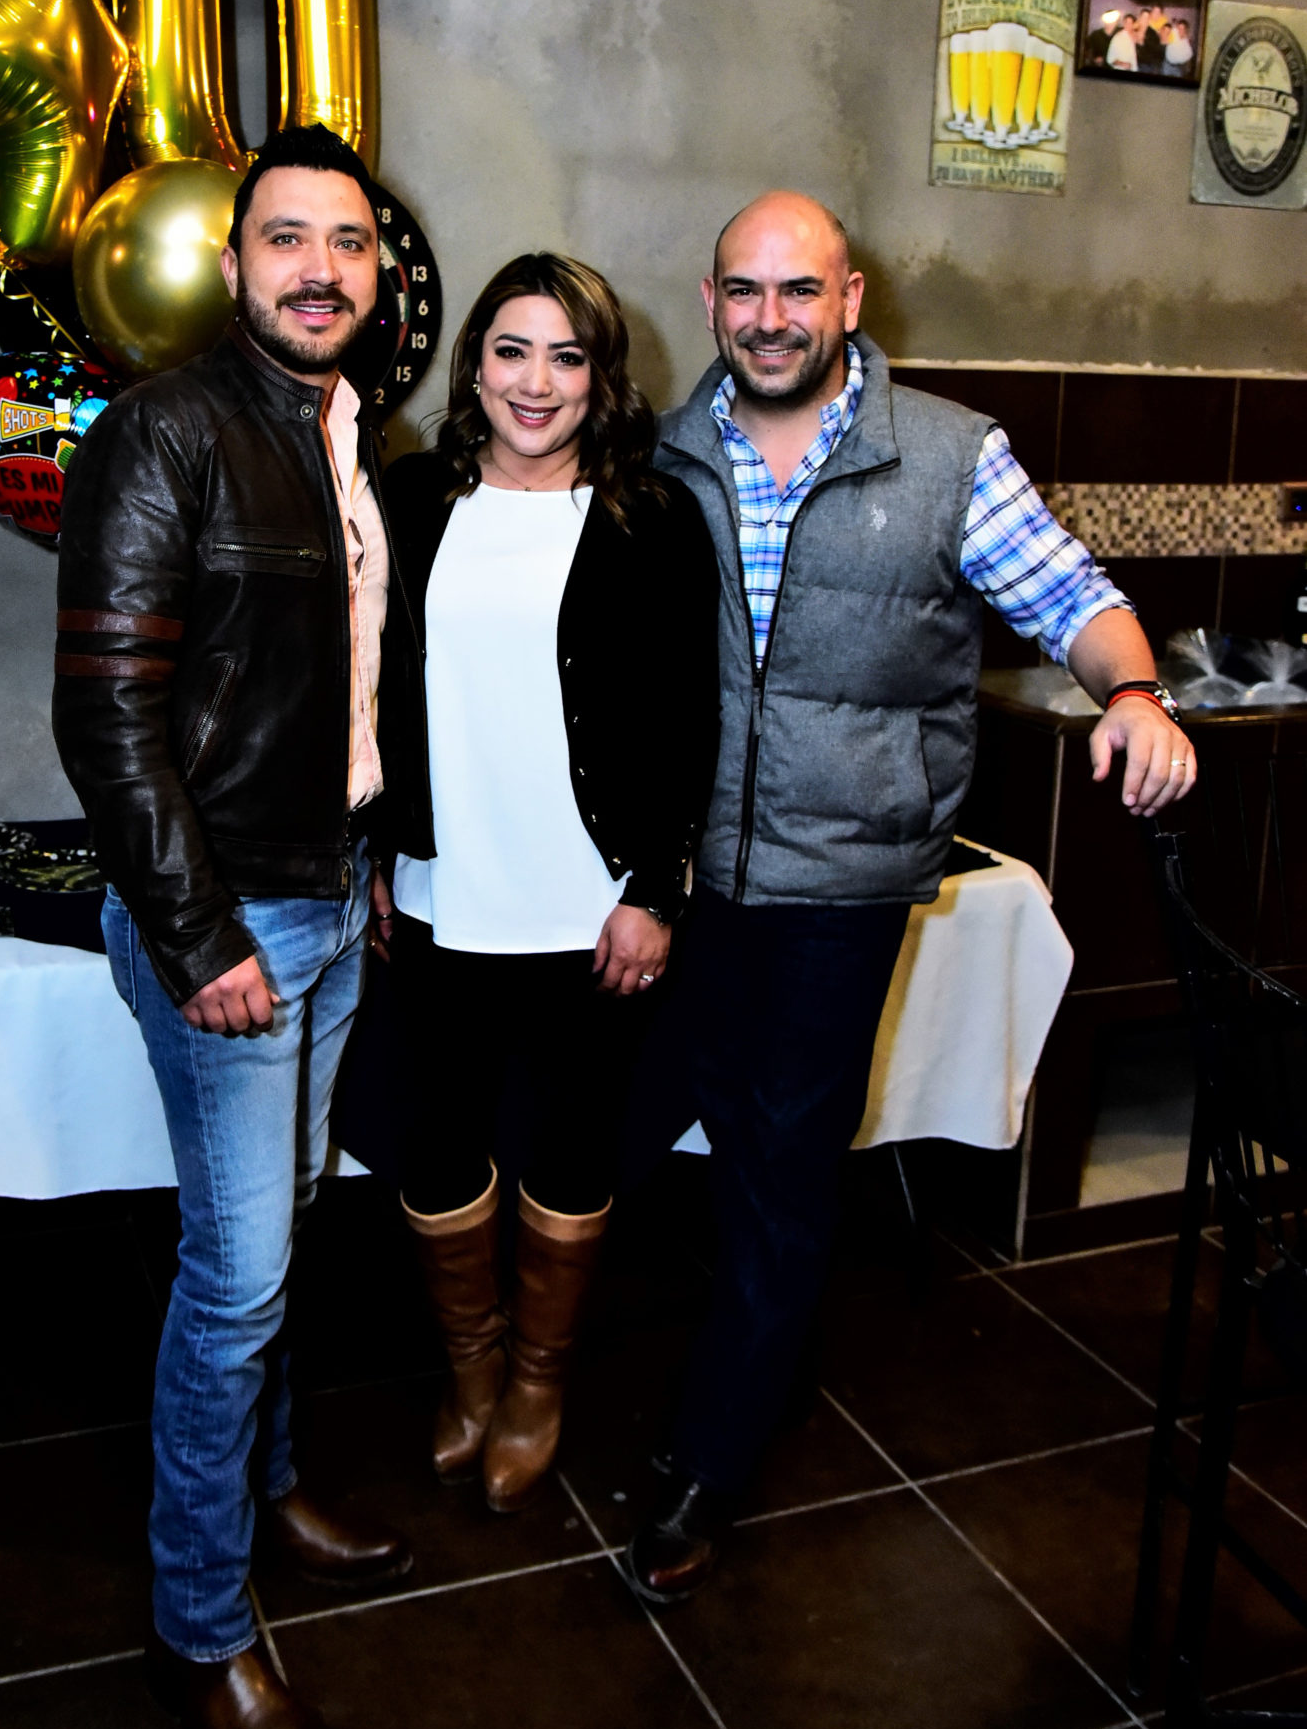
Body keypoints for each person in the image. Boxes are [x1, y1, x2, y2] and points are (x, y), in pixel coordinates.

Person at [622, 189, 1198, 1605]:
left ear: (851, 299)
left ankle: (712, 1452)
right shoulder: (660, 453)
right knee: (621, 1126)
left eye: (797, 291)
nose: (769, 318)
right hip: (680, 877)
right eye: (743, 291)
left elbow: (1068, 594)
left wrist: (1130, 691)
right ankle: (625, 1376)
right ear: (709, 304)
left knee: (780, 1159)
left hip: (843, 884)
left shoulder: (949, 455)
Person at [53, 121, 412, 1729]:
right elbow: (104, 714)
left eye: (348, 243)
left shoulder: (350, 439)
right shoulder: (166, 425)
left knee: (290, 1224)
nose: (321, 269)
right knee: (240, 1278)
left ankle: (267, 1486)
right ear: (232, 263)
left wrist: (370, 872)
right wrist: (197, 940)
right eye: (288, 240)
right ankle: (196, 1630)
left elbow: (335, 697)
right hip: (229, 924)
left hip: (328, 899)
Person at [371, 254, 720, 1510]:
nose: (535, 381)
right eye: (511, 351)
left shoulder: (649, 518)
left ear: (600, 377)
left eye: (565, 356)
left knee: (571, 1152)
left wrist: (657, 888)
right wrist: (373, 850)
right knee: (430, 1143)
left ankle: (537, 1383)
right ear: (472, 365)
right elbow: (370, 692)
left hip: (586, 900)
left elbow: (691, 719)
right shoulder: (410, 499)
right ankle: (469, 1371)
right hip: (439, 885)